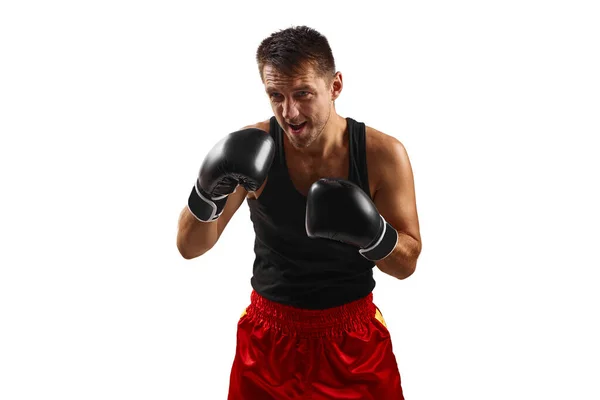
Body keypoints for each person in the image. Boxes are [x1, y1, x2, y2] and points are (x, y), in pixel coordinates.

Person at [176, 25, 422, 400]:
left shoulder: (381, 155)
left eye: (303, 94)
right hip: (267, 344)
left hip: (353, 344)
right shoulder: (254, 150)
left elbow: (406, 265)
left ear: (335, 86)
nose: (288, 112)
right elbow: (190, 247)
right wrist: (204, 192)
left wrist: (376, 235)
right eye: (276, 95)